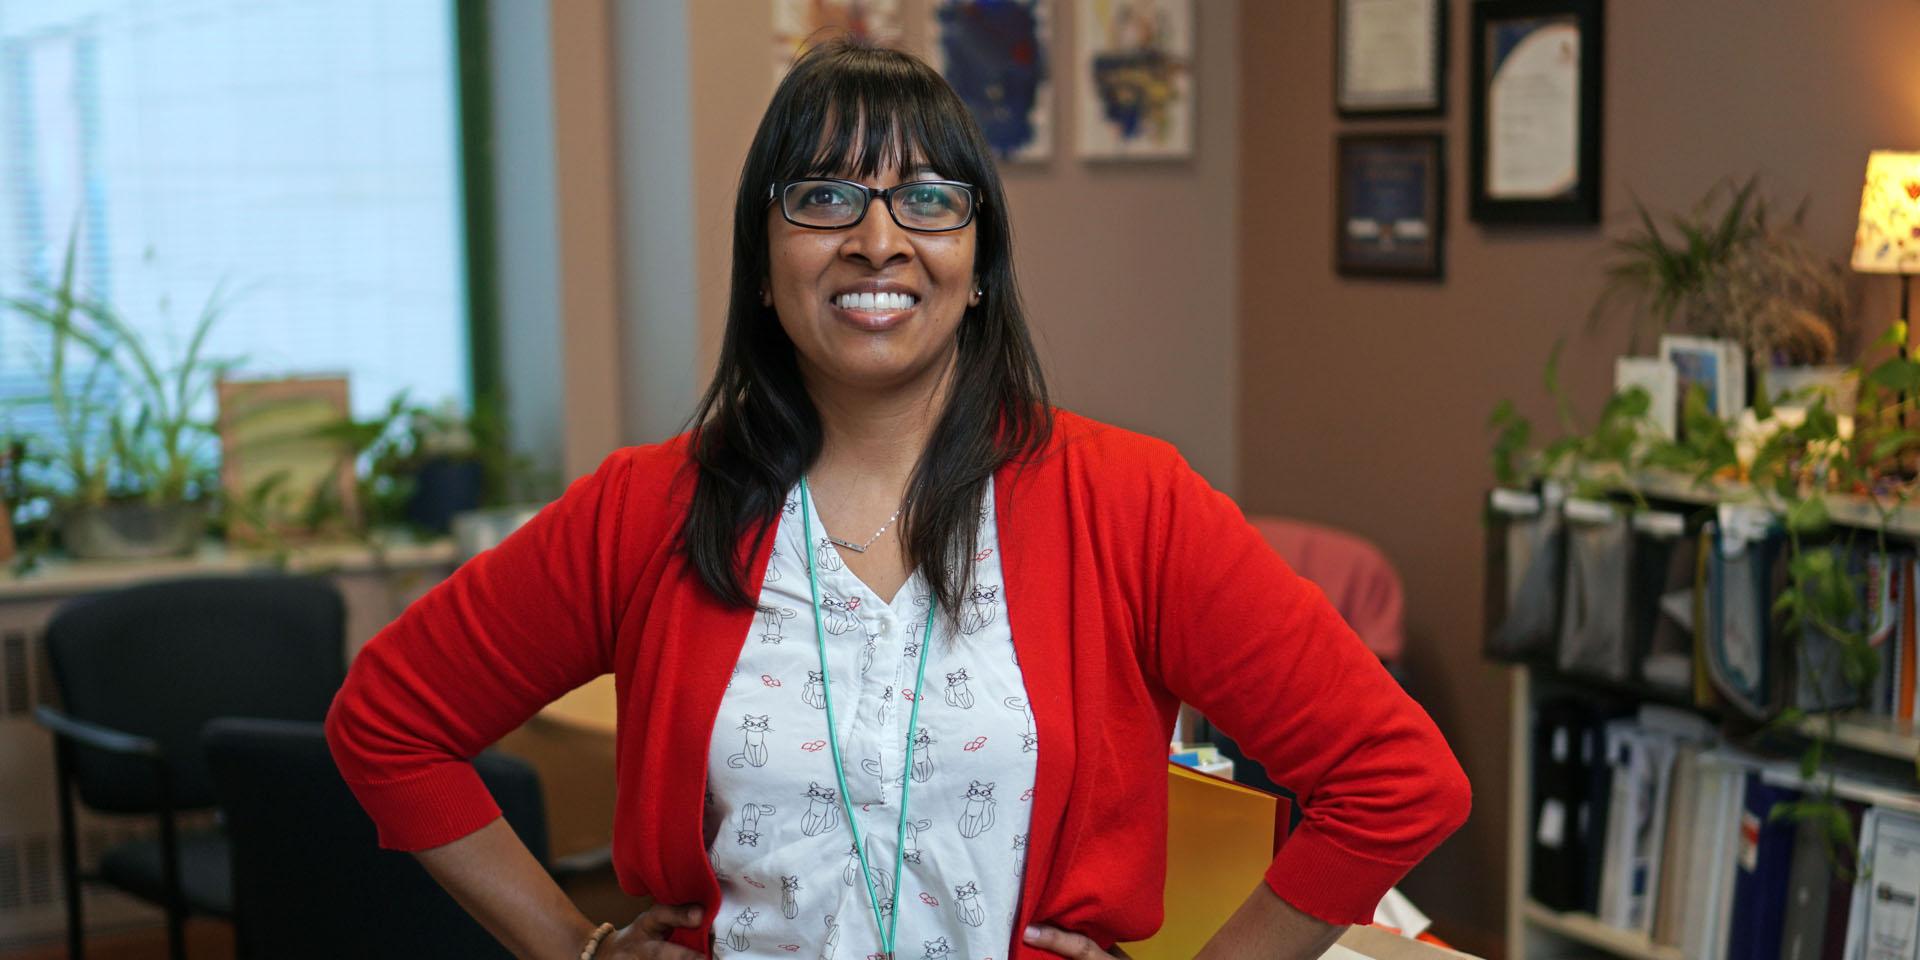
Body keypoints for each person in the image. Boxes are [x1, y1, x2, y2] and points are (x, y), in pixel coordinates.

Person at [325, 38, 1469, 960]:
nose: (879, 241)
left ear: (978, 265)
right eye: (825, 197)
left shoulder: (1126, 502)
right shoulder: (650, 510)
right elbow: (388, 722)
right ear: (764, 265)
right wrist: (570, 947)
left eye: (927, 199)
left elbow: (1394, 780)